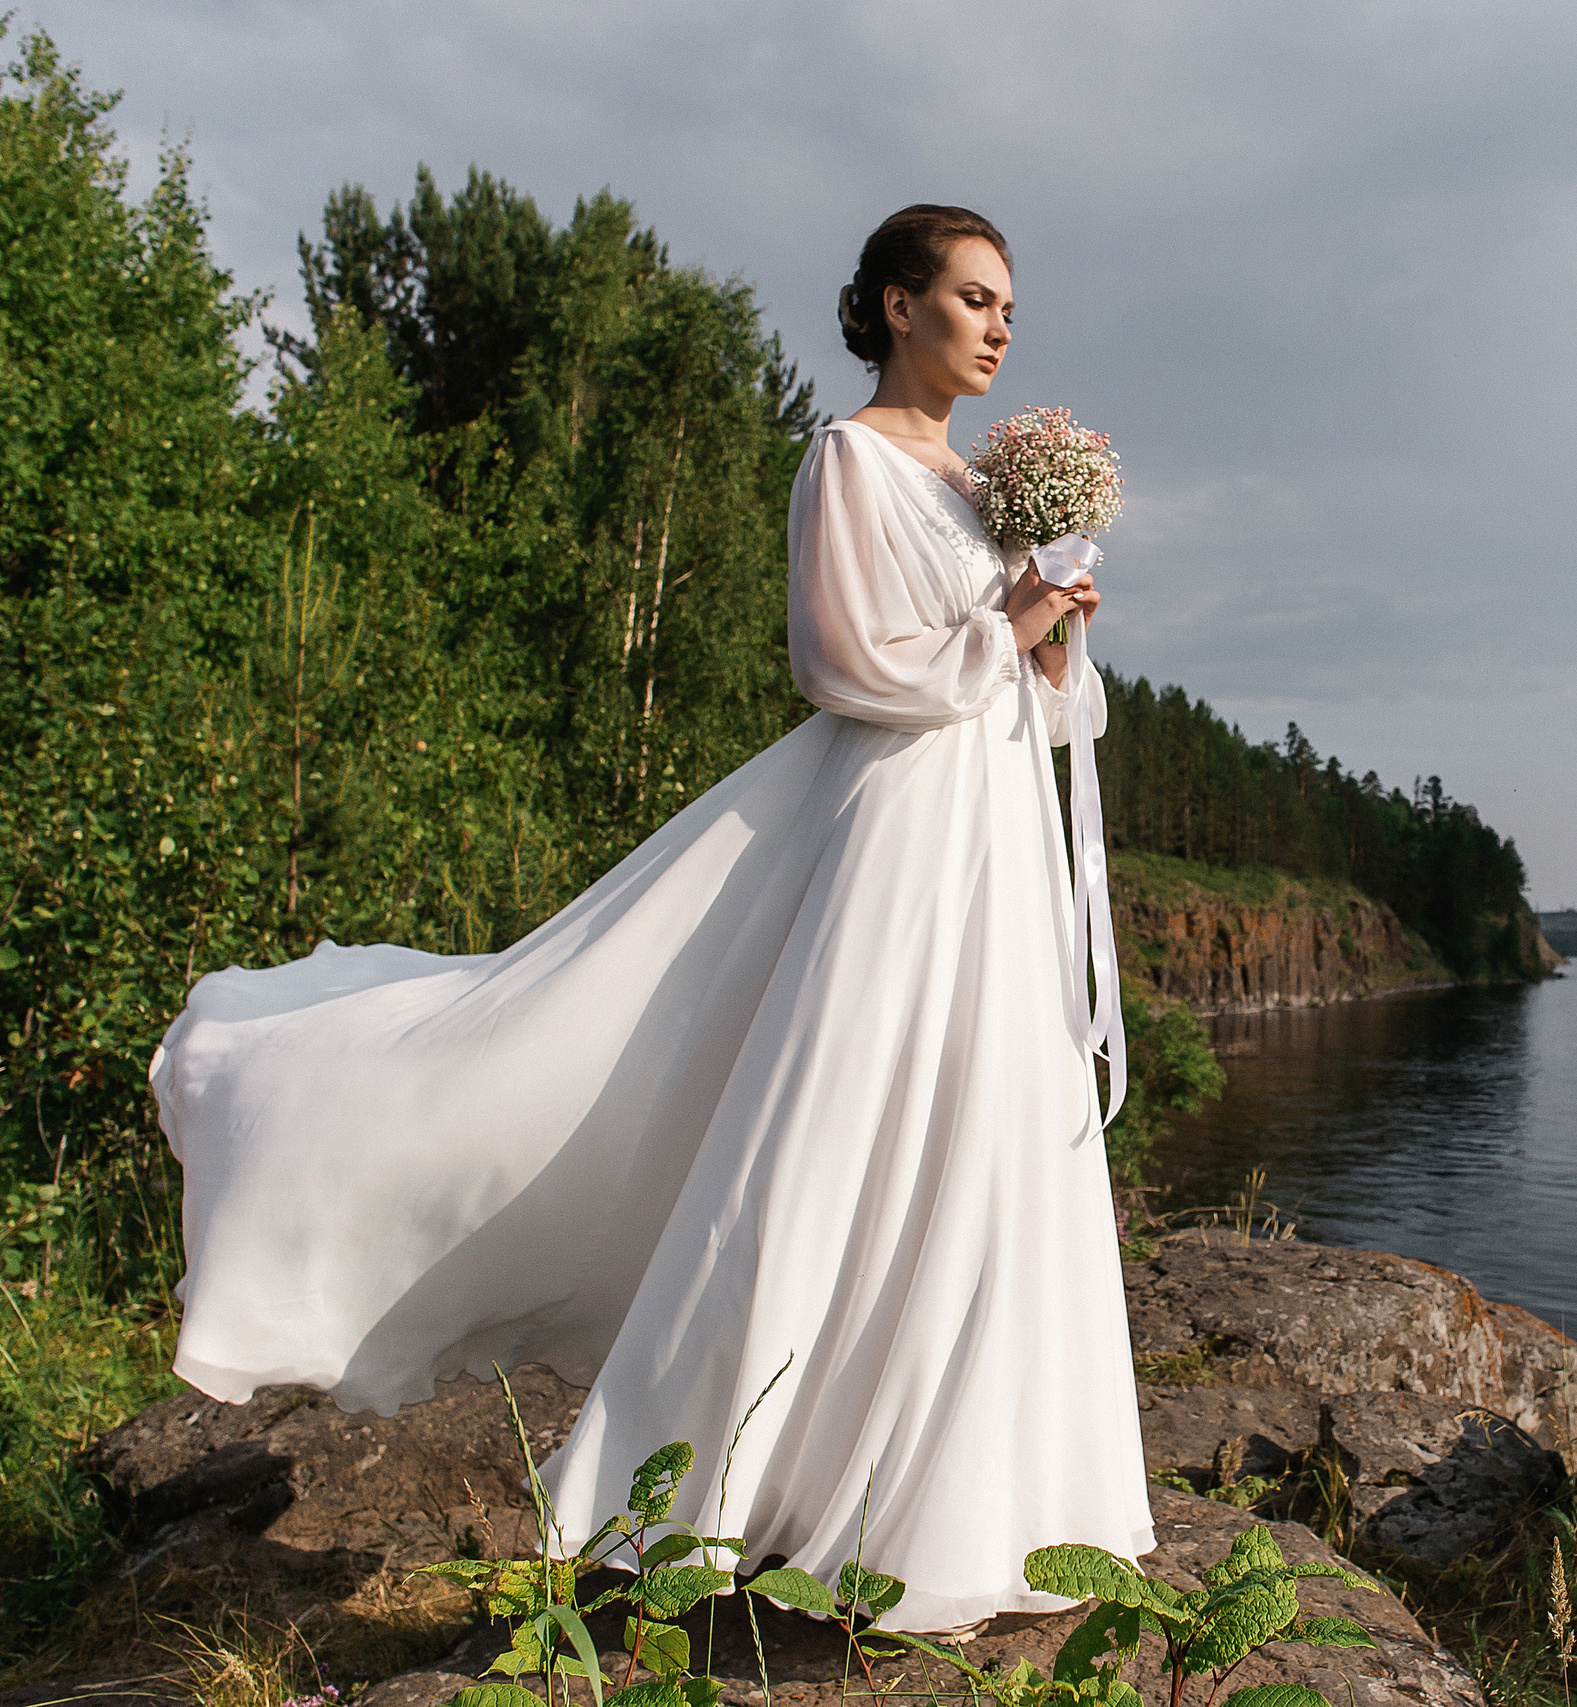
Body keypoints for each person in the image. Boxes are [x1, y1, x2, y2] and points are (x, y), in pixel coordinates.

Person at [149, 204, 1154, 1631]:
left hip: (991, 836)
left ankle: (989, 1493)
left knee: (987, 1119)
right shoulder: (852, 459)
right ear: (890, 307)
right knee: (835, 1131)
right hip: (895, 840)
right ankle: (750, 1488)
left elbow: (1027, 700)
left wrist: (1056, 628)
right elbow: (842, 663)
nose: (997, 326)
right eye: (972, 299)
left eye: (1009, 308)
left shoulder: (987, 489)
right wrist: (1011, 629)